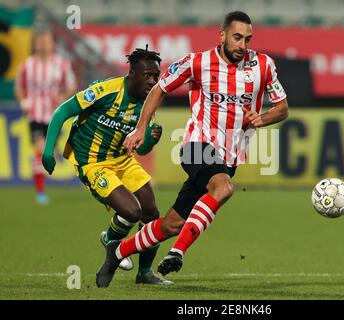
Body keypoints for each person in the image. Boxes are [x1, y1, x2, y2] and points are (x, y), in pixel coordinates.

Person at [96, 11, 289, 288]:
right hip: (196, 145)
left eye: (247, 39)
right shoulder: (197, 62)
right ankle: (178, 252)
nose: (242, 45)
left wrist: (263, 117)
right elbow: (159, 89)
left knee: (172, 224)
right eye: (237, 37)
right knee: (223, 188)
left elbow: (282, 107)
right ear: (221, 35)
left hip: (228, 156)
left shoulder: (264, 65)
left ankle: (118, 251)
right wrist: (141, 128)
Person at [41, 47, 172, 285]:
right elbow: (63, 111)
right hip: (92, 162)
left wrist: (152, 139)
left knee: (152, 214)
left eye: (156, 76)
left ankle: (144, 273)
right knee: (132, 212)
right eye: (148, 75)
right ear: (132, 73)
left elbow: (140, 149)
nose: (153, 81)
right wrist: (49, 150)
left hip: (122, 159)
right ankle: (110, 240)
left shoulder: (147, 104)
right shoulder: (105, 91)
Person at [15, 30, 77, 204]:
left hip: (55, 115)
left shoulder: (62, 64)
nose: (43, 44)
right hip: (35, 114)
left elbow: (71, 85)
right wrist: (24, 101)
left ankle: (54, 149)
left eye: (46, 41)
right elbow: (19, 87)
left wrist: (63, 97)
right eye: (40, 41)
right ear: (35, 44)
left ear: (52, 44)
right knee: (40, 149)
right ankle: (40, 192)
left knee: (50, 151)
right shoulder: (27, 65)